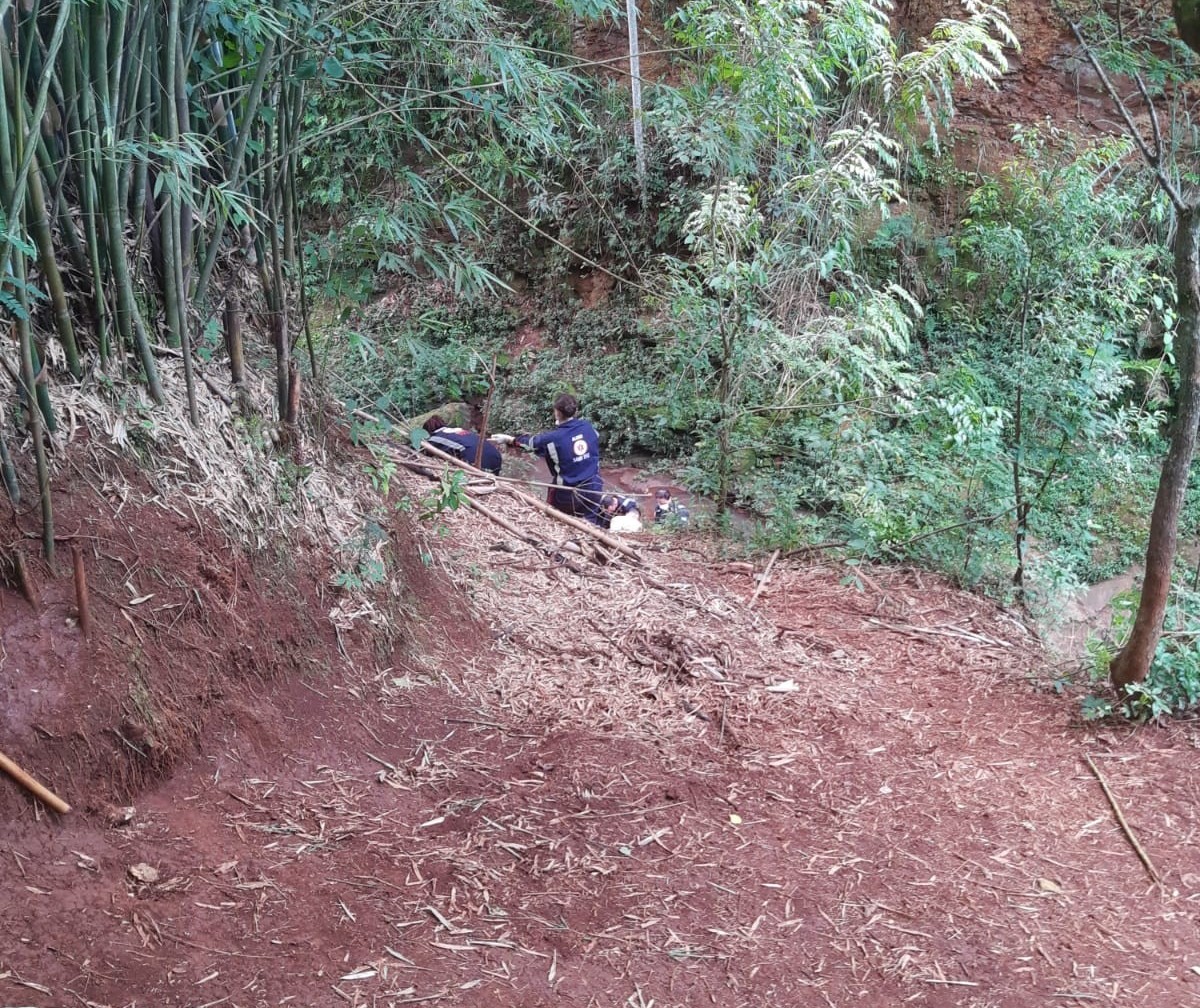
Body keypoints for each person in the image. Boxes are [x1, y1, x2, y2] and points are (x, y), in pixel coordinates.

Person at [491, 393, 603, 524]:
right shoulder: (588, 427)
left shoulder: (553, 439)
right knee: (590, 524)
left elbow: (530, 444)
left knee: (554, 519)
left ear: (556, 412)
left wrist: (509, 439)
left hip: (567, 493)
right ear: (575, 411)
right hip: (594, 487)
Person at [422, 415, 502, 475]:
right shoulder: (459, 430)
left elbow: (426, 452)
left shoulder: (435, 438)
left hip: (475, 461)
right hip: (496, 457)